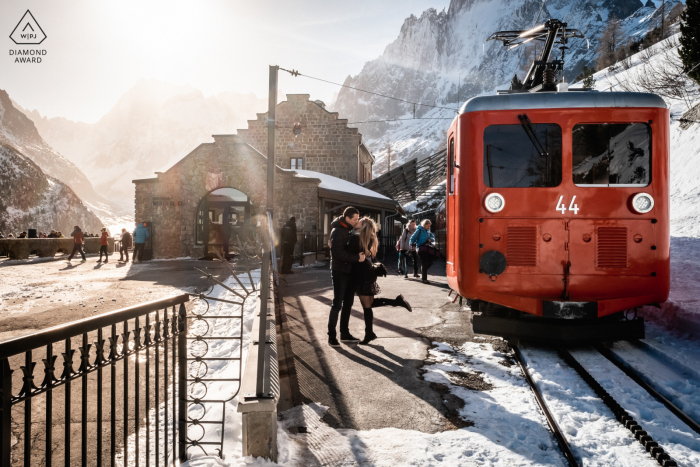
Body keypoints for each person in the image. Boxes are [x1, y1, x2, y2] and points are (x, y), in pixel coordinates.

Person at [348, 217, 412, 345]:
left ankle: (369, 334)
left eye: (359, 221)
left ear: (363, 226)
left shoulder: (356, 238)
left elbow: (347, 252)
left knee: (367, 306)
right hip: (367, 273)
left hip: (361, 274)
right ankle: (396, 302)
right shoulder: (368, 238)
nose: (357, 222)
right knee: (369, 304)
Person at [327, 206, 364, 347]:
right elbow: (338, 253)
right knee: (337, 303)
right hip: (339, 271)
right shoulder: (338, 231)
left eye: (358, 218)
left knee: (348, 303)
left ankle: (345, 333)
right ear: (347, 218)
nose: (357, 221)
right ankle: (331, 336)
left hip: (349, 271)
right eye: (355, 219)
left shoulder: (347, 229)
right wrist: (356, 258)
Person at [411, 219, 436, 284]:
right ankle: (424, 279)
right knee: (424, 263)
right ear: (424, 225)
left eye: (430, 226)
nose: (429, 227)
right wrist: (412, 245)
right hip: (420, 249)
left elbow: (433, 237)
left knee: (430, 262)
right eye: (428, 226)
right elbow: (412, 238)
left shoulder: (428, 231)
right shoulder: (419, 230)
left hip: (427, 248)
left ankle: (423, 270)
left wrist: (431, 239)